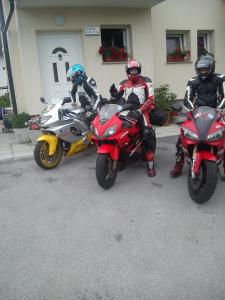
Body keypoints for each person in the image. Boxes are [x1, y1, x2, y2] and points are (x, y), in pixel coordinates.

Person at [170, 53, 225, 177]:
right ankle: (179, 163)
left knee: (224, 136)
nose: (204, 72)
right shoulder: (193, 81)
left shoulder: (220, 78)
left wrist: (220, 110)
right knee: (182, 136)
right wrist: (192, 110)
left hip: (217, 112)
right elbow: (187, 99)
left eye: (206, 69)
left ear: (212, 68)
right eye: (201, 70)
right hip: (198, 113)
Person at [109, 58, 156, 177]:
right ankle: (121, 158)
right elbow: (116, 99)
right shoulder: (123, 83)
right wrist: (113, 94)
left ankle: (150, 165)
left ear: (139, 70)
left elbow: (151, 99)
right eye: (132, 70)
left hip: (142, 110)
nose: (134, 73)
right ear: (128, 71)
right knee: (117, 131)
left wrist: (140, 110)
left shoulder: (147, 81)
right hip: (126, 110)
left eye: (136, 70)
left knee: (147, 134)